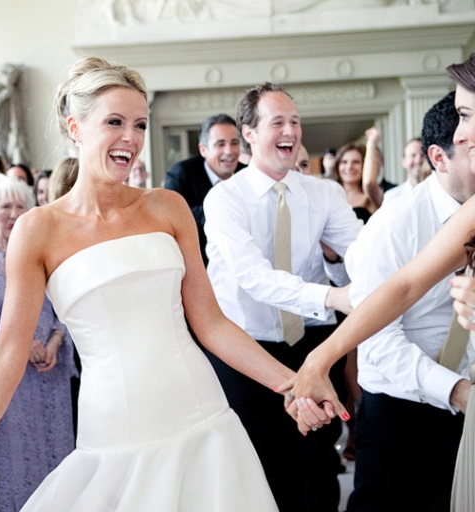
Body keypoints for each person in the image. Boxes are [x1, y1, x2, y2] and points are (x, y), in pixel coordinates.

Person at [0, 56, 331, 512]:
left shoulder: (168, 208)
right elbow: (8, 354)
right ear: (75, 127)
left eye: (140, 124)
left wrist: (293, 383)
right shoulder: (38, 229)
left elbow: (211, 323)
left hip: (202, 416)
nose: (130, 138)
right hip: (115, 428)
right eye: (114, 122)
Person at [284, 52, 475, 512]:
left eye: (469, 115)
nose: (463, 132)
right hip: (406, 408)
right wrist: (320, 358)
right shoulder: (399, 224)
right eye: (461, 119)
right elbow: (403, 290)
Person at [203, 82, 363, 512]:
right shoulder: (224, 199)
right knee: (261, 468)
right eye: (278, 122)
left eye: (295, 121)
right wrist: (333, 297)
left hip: (312, 346)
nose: (290, 130)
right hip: (246, 353)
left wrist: (344, 269)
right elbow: (253, 277)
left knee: (318, 464)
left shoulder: (324, 193)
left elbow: (365, 255)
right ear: (249, 134)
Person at [342, 91, 475, 512]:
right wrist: (455, 391)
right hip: (400, 410)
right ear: (438, 157)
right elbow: (378, 339)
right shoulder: (393, 226)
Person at [0, 174, 74, 511]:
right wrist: (20, 348)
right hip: (6, 383)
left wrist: (54, 341)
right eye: (4, 206)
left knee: (61, 463)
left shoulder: (44, 254)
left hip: (50, 375)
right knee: (16, 469)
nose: (12, 213)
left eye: (20, 205)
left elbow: (64, 308)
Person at [164, 114, 245, 265]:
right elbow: (174, 219)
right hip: (196, 266)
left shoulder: (247, 175)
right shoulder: (181, 174)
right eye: (220, 144)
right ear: (203, 149)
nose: (229, 151)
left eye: (234, 143)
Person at [382, 137, 428, 202]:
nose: (418, 160)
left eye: (423, 155)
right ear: (404, 162)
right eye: (413, 155)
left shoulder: (437, 193)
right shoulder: (392, 197)